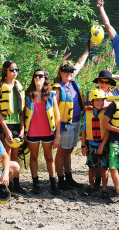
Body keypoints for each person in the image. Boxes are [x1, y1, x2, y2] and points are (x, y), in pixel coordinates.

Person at [53, 43, 94, 190]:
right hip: (65, 124)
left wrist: (88, 48)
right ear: (60, 72)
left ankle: (69, 178)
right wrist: (57, 133)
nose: (69, 73)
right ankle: (61, 180)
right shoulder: (58, 88)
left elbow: (80, 63)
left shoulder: (71, 81)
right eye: (66, 71)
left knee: (69, 150)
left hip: (76, 121)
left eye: (71, 71)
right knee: (62, 151)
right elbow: (55, 111)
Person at [85, 69, 119, 188]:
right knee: (96, 162)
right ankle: (97, 182)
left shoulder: (115, 94)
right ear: (98, 81)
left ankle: (115, 186)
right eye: (101, 81)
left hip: (111, 130)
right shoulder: (91, 93)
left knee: (107, 161)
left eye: (107, 81)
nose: (103, 84)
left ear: (111, 82)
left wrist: (113, 75)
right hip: (95, 130)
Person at [24, 69, 61, 195]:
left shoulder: (51, 95)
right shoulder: (27, 94)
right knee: (33, 157)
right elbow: (23, 114)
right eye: (36, 75)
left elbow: (57, 116)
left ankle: (53, 184)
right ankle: (36, 184)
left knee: (49, 157)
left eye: (41, 76)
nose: (38, 77)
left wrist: (58, 135)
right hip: (32, 132)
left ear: (45, 78)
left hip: (48, 132)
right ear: (33, 78)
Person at [0, 60, 27, 195]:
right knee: (7, 154)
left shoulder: (18, 86)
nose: (14, 72)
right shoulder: (1, 86)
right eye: (12, 69)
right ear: (6, 70)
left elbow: (21, 111)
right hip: (4, 124)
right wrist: (6, 129)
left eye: (16, 69)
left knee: (16, 154)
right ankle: (6, 186)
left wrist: (22, 128)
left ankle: (17, 184)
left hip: (17, 124)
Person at [81, 89, 110, 199]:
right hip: (91, 144)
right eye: (97, 100)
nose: (100, 103)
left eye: (102, 101)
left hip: (103, 144)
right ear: (92, 102)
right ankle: (91, 187)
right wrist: (83, 146)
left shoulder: (106, 113)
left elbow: (107, 131)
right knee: (92, 167)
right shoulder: (87, 113)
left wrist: (102, 145)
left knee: (103, 168)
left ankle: (104, 189)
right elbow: (84, 130)